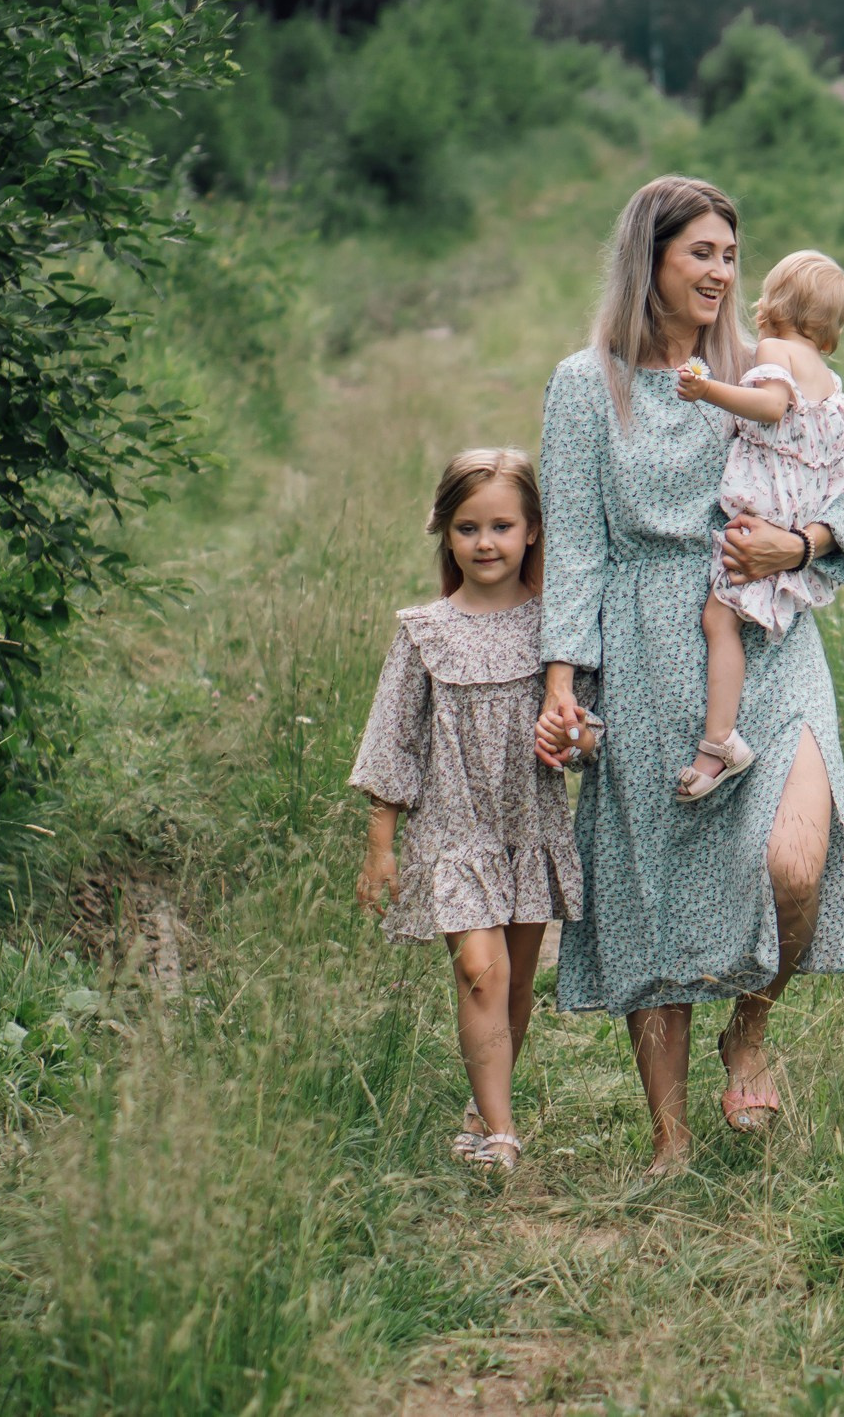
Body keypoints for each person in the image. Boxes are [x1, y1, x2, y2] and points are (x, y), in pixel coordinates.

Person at [532, 176, 844, 1173]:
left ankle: (752, 1028)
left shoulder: (768, 363)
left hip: (766, 632)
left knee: (795, 863)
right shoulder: (583, 385)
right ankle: (669, 1141)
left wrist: (801, 542)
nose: (723, 272)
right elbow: (579, 547)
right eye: (702, 254)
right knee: (654, 896)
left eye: (732, 254)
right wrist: (564, 682)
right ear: (653, 260)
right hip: (643, 646)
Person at [351, 449, 582, 1173]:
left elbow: (589, 725)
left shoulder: (558, 631)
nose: (486, 542)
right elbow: (395, 741)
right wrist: (380, 845)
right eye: (467, 527)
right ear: (445, 535)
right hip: (452, 831)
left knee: (512, 982)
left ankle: (485, 1106)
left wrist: (573, 733)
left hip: (525, 826)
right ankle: (504, 1134)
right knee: (479, 972)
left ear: (533, 531)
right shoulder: (425, 630)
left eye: (502, 526)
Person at [669, 249, 844, 801]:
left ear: (771, 304)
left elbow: (771, 406)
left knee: (718, 618)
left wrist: (707, 390)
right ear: (830, 331)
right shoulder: (831, 384)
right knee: (735, 618)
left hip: (764, 516)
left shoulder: (775, 350)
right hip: (798, 517)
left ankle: (720, 741)